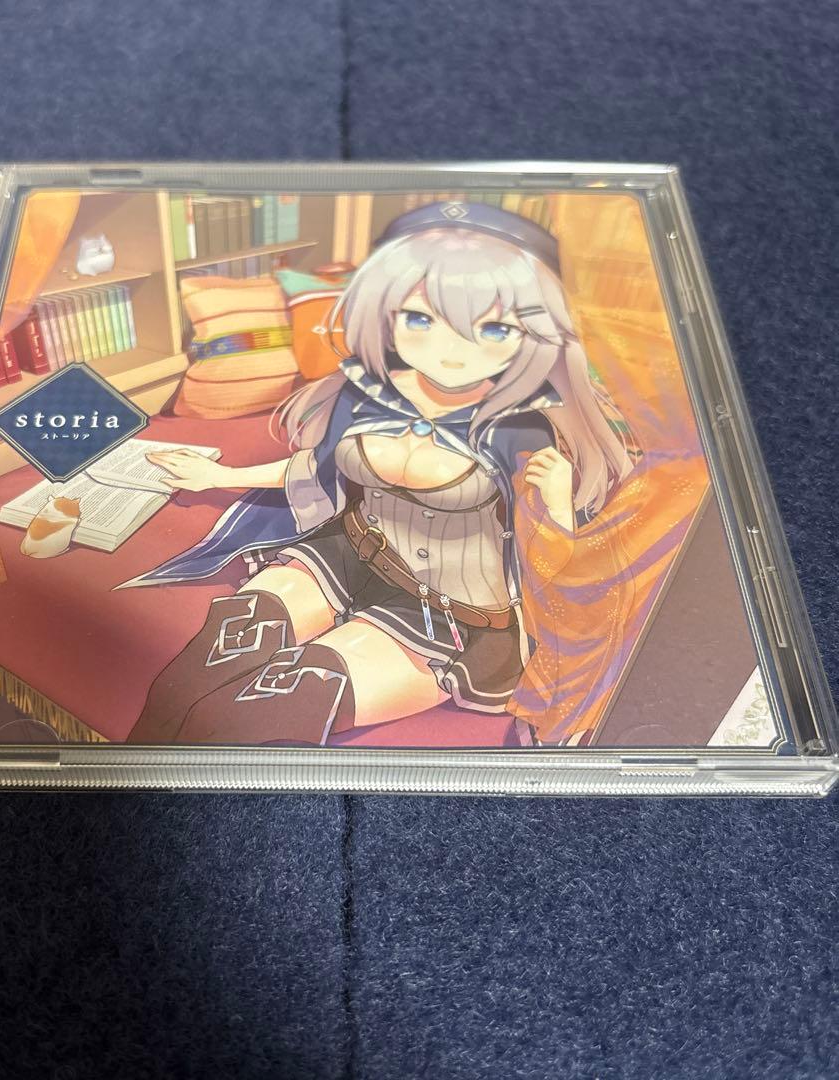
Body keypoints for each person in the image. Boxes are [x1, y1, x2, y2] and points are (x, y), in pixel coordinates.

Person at [120, 201, 633, 747]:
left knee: (261, 710)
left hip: (448, 609)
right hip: (345, 554)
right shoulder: (367, 389)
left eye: (492, 327)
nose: (450, 351)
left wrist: (557, 503)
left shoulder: (520, 427)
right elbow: (319, 469)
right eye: (421, 319)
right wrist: (215, 476)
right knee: (197, 670)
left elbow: (553, 556)